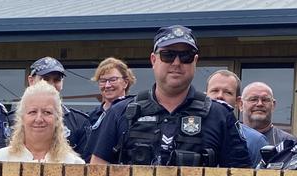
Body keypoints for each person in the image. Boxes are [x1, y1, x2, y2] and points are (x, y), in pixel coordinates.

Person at [90, 26, 251, 168]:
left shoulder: (220, 116)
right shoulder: (121, 112)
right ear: (154, 60)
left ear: (195, 61)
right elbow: (97, 172)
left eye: (185, 56)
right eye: (168, 55)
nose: (176, 62)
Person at [0, 80, 85, 163]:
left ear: (58, 118)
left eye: (47, 112)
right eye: (32, 112)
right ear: (21, 118)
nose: (39, 119)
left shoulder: (74, 163)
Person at [27, 57, 91, 153]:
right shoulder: (13, 119)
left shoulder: (79, 122)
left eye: (57, 80)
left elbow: (87, 164)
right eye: (45, 79)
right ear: (31, 81)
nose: (51, 85)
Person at [75, 57, 134, 160]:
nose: (107, 85)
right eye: (102, 81)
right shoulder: (90, 117)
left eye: (113, 80)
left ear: (125, 82)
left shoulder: (134, 115)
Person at [205, 70, 269, 160]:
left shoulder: (256, 141)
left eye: (227, 92)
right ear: (205, 97)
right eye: (215, 91)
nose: (220, 96)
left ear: (237, 101)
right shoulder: (189, 133)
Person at [242, 81, 294, 147]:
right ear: (241, 104)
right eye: (253, 99)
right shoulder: (229, 138)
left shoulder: (288, 142)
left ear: (273, 105)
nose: (260, 104)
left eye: (265, 100)